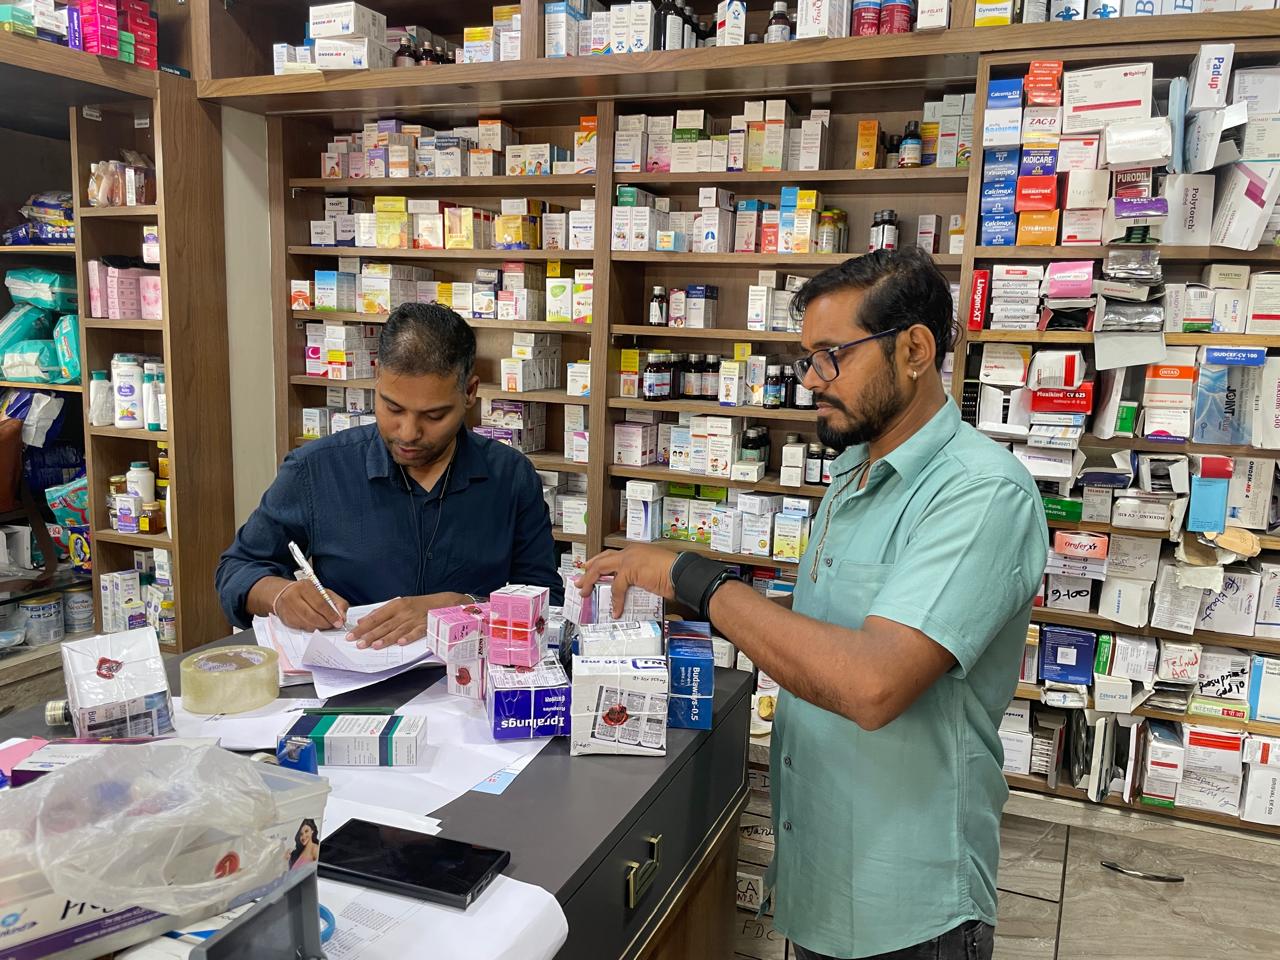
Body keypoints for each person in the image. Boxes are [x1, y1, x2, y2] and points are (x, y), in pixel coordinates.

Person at [577, 248, 1049, 960]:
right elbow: (816, 639)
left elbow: (871, 684)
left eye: (832, 356)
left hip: (908, 906)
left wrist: (697, 581)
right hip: (820, 876)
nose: (810, 380)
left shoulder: (981, 493)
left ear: (914, 351)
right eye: (806, 358)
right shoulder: (854, 470)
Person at [216, 302, 561, 650]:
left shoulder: (511, 477)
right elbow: (237, 568)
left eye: (434, 416)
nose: (408, 433)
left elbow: (547, 600)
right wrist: (280, 595)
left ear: (469, 392)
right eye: (393, 408)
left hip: (470, 674)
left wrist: (466, 608)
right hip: (351, 671)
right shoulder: (315, 470)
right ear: (377, 375)